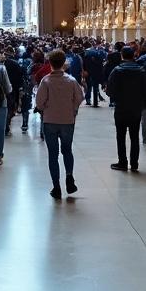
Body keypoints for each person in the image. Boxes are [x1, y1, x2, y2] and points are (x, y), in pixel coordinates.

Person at [36, 49, 84, 199]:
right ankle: (69, 176)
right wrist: (73, 109)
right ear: (64, 63)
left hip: (50, 120)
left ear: (50, 63)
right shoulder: (71, 80)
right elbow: (80, 97)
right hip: (67, 120)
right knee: (67, 150)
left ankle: (56, 186)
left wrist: (45, 109)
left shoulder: (46, 81)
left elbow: (39, 102)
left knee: (53, 154)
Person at [107, 46, 146, 172]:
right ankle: (134, 163)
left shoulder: (117, 70)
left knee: (120, 136)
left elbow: (110, 91)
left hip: (121, 107)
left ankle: (122, 162)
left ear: (122, 56)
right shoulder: (141, 71)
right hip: (136, 108)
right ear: (134, 55)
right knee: (134, 136)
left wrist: (117, 97)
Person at [82, 42, 106, 107]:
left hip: (88, 71)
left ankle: (88, 99)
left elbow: (83, 63)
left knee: (89, 86)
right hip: (96, 72)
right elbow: (101, 64)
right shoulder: (99, 53)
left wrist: (84, 70)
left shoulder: (87, 53)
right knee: (95, 87)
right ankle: (95, 102)